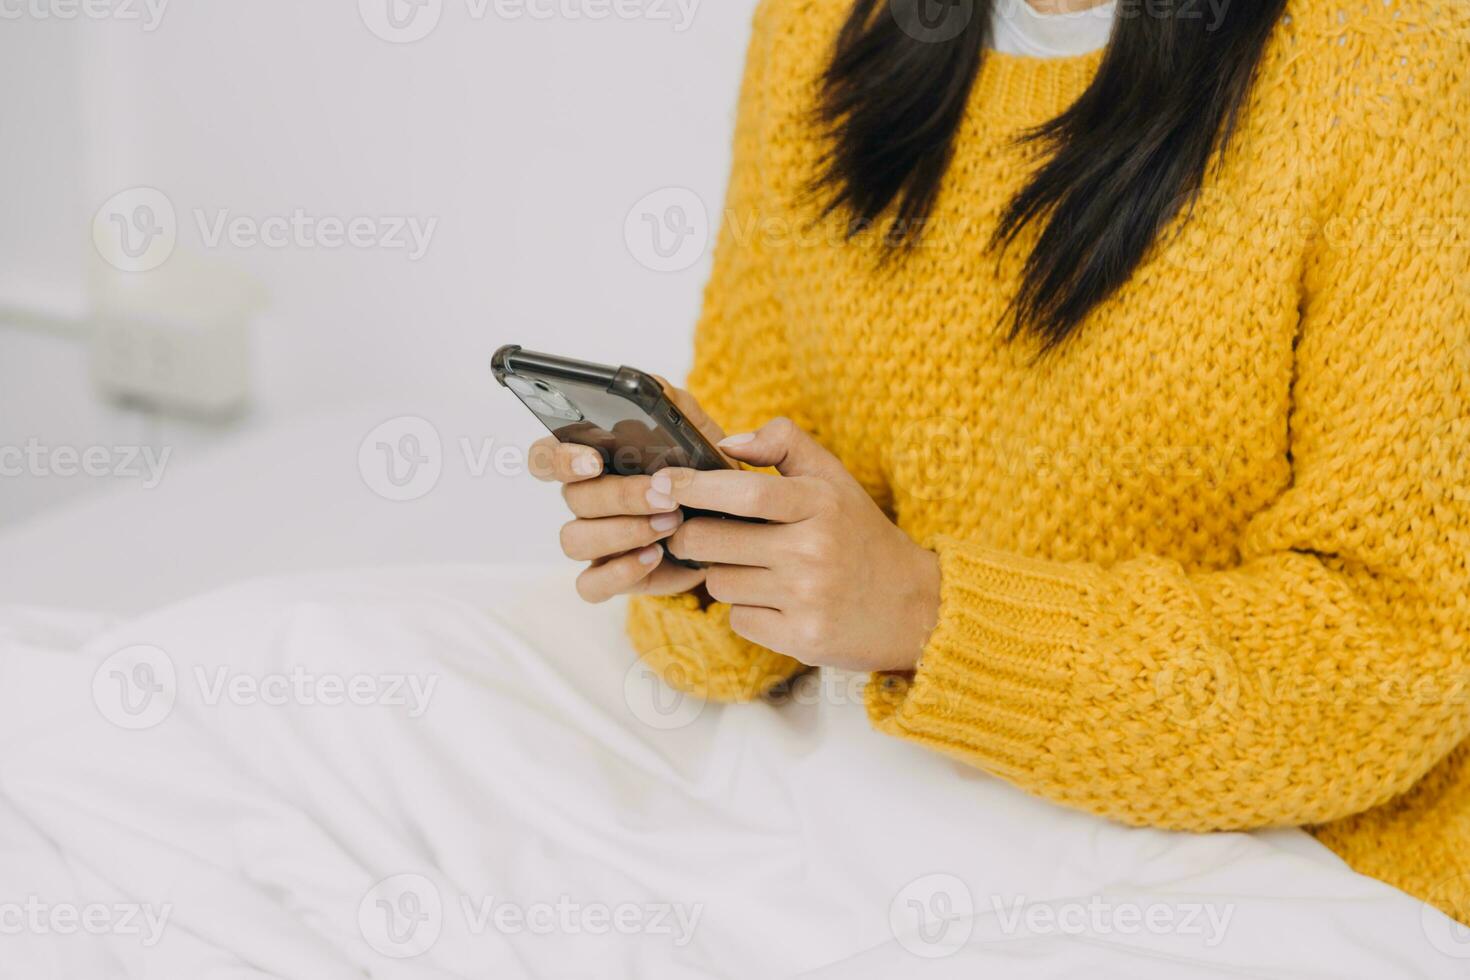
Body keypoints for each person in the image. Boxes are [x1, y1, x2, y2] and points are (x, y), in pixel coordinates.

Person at [533, 0, 1470, 924]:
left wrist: (923, 613)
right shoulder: (816, 26)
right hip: (885, 814)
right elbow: (783, 494)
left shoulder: (1399, 57)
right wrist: (702, 551)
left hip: (1279, 864)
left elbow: (1403, 658)